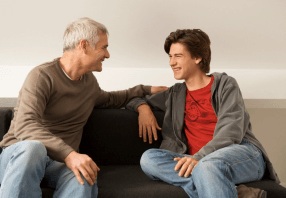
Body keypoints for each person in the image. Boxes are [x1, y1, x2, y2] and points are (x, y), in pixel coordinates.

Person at [0, 17, 167, 198]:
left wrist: (145, 92)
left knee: (85, 174)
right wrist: (70, 154)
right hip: (20, 159)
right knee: (34, 148)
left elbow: (112, 98)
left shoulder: (88, 83)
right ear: (84, 45)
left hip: (58, 164)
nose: (107, 55)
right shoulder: (42, 76)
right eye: (104, 47)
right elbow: (25, 126)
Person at [125, 29, 280, 198]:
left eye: (178, 56)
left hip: (240, 154)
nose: (171, 62)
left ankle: (210, 177)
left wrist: (199, 158)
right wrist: (143, 108)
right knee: (149, 159)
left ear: (197, 58)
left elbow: (231, 133)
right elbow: (131, 99)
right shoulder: (174, 94)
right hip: (197, 161)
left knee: (207, 166)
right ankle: (233, 192)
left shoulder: (225, 85)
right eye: (170, 56)